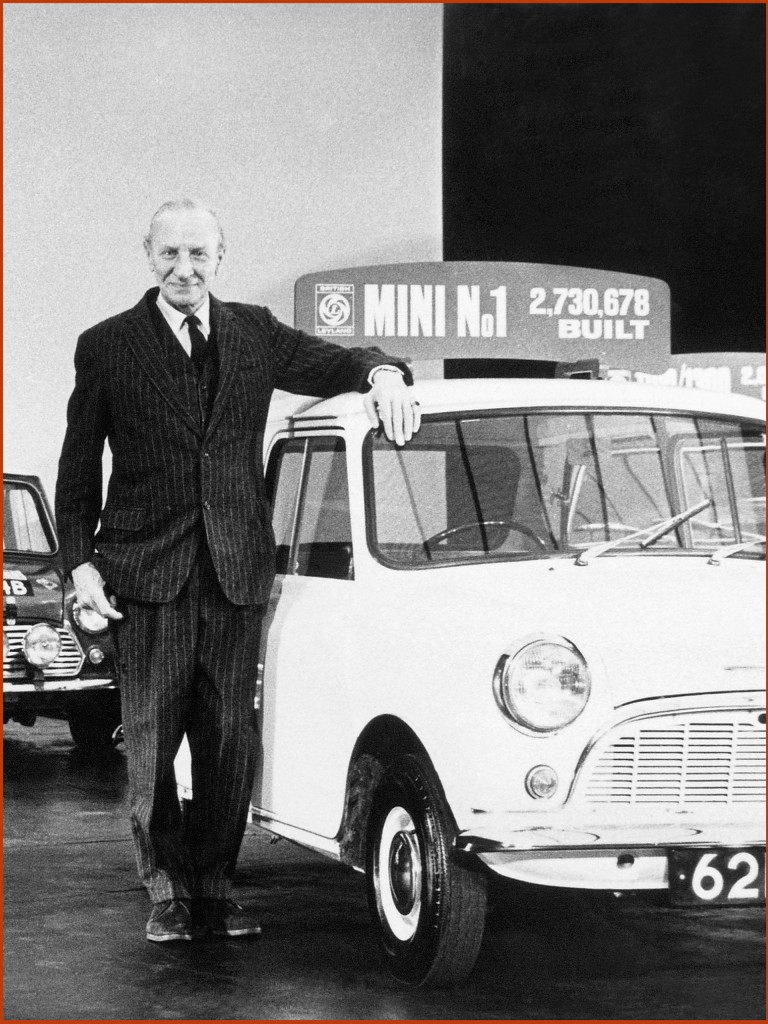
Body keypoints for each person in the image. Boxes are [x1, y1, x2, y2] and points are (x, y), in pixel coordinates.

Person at [55, 199, 420, 943]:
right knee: (152, 746)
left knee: (228, 741)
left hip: (235, 575)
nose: (183, 269)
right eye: (169, 255)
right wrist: (78, 567)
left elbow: (337, 362)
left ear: (221, 255)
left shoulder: (255, 331)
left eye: (198, 254)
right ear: (146, 256)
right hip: (144, 576)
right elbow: (76, 468)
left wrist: (382, 371)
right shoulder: (107, 345)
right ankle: (165, 891)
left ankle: (216, 886)